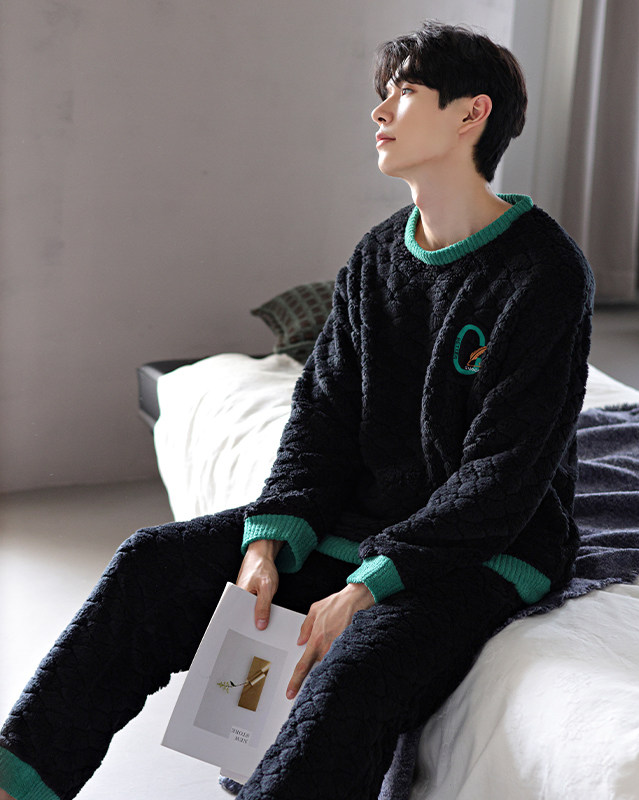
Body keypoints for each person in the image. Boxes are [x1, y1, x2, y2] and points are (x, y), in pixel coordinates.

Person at [0, 20, 593, 800]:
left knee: (350, 676)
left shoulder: (544, 272)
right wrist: (266, 543)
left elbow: (504, 478)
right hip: (359, 521)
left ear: (470, 114)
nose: (379, 112)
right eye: (382, 95)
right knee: (151, 566)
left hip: (485, 550)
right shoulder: (376, 257)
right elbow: (321, 418)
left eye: (405, 93)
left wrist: (365, 588)